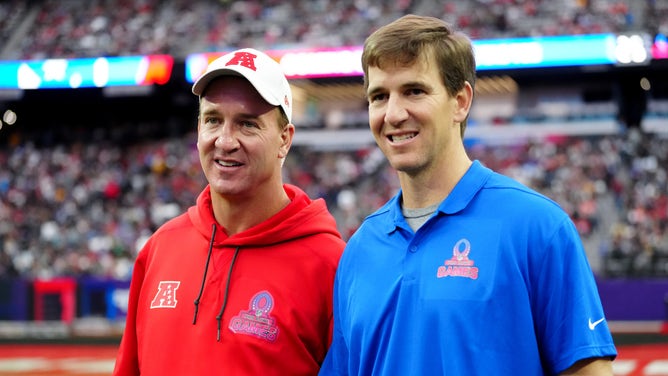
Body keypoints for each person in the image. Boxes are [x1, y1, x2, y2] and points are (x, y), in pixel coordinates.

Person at [319, 14, 617, 376]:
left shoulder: (537, 226)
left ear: (460, 101)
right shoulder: (361, 248)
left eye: (414, 90)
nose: (393, 114)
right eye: (379, 96)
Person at [113, 48, 345, 375]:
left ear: (284, 140)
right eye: (212, 120)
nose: (225, 141)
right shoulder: (160, 248)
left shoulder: (331, 266)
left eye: (247, 124)